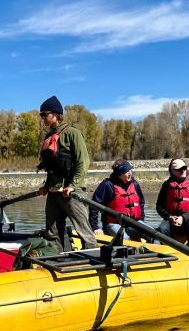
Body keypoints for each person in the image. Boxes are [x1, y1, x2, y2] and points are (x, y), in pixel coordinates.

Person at [35, 95, 98, 252]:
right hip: (54, 191)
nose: (43, 118)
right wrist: (46, 186)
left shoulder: (72, 133)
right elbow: (53, 167)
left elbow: (83, 162)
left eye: (45, 114)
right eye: (41, 115)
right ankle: (56, 258)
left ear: (56, 114)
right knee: (52, 231)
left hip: (71, 192)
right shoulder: (49, 137)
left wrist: (73, 185)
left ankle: (94, 257)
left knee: (83, 229)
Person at [89, 158, 148, 240]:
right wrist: (95, 227)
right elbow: (94, 206)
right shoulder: (107, 185)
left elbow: (141, 203)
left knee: (155, 235)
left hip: (134, 222)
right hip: (113, 224)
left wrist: (141, 220)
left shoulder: (135, 184)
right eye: (126, 172)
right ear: (119, 174)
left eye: (130, 171)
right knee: (125, 239)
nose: (130, 174)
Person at [155, 158, 189, 250]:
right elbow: (159, 206)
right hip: (171, 219)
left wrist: (183, 218)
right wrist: (169, 217)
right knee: (162, 228)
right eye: (179, 169)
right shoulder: (166, 185)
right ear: (172, 171)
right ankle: (166, 254)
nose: (183, 170)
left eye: (184, 168)